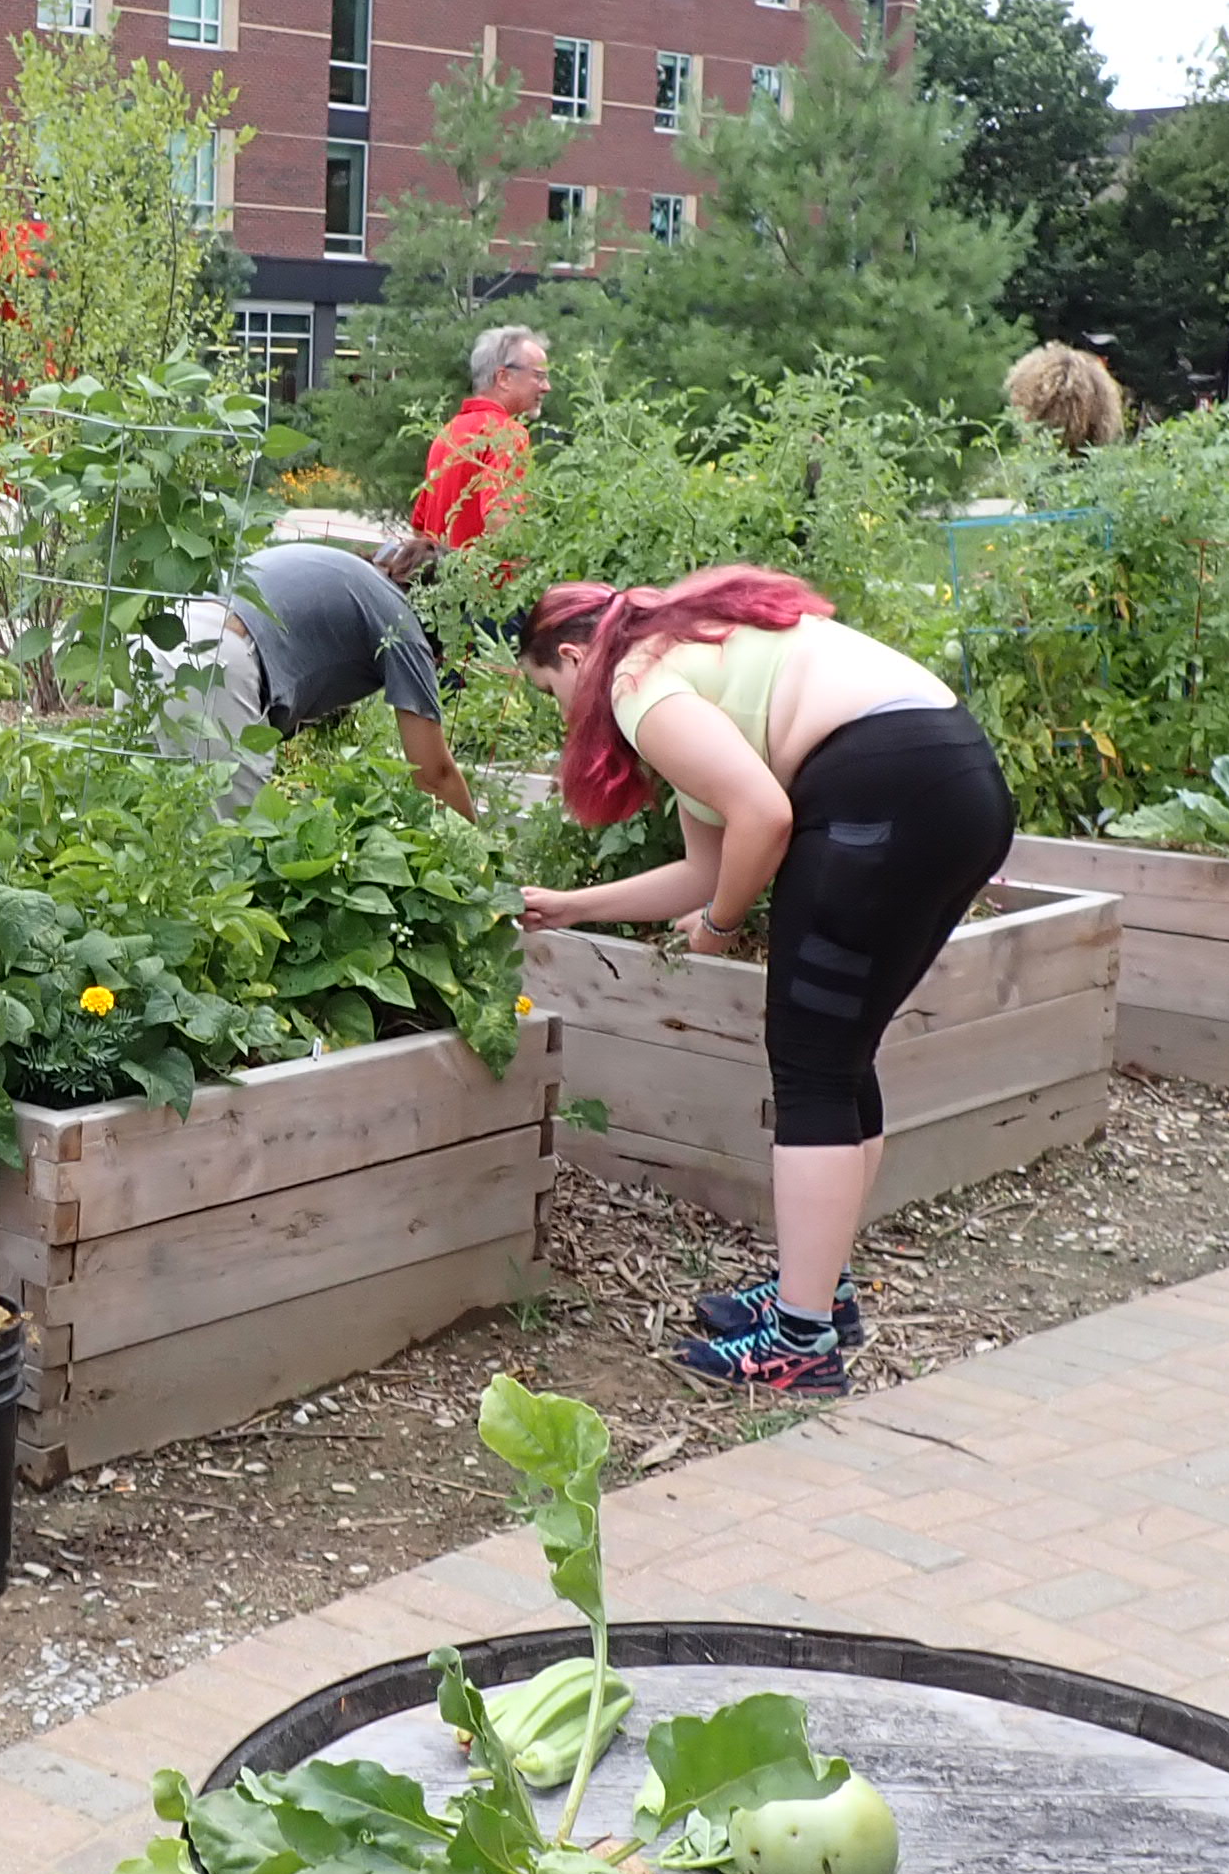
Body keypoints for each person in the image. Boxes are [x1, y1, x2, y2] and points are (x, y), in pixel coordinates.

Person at [511, 571, 1015, 1396]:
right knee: (841, 1056)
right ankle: (822, 1295)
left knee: (812, 1062)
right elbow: (706, 866)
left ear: (574, 655)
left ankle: (802, 1342)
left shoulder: (636, 681)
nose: (562, 710)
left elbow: (764, 822)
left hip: (885, 788)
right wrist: (571, 907)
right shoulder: (691, 650)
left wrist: (721, 925)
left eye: (549, 690)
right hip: (954, 784)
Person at [162, 541, 477, 817]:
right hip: (218, 664)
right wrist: (476, 859)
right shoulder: (402, 624)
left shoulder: (349, 573)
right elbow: (434, 776)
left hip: (164, 635)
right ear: (441, 616)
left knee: (152, 817)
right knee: (226, 851)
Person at [409, 321, 548, 550]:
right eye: (539, 376)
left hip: (444, 581)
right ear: (503, 378)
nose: (546, 387)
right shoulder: (507, 435)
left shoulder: (449, 432)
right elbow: (502, 520)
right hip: (486, 584)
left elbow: (420, 527)